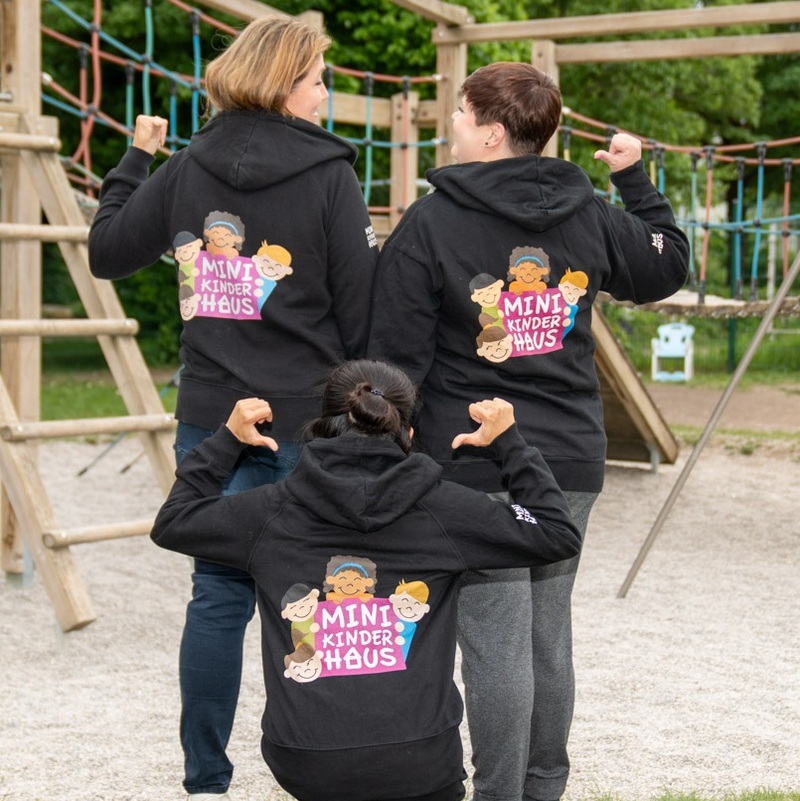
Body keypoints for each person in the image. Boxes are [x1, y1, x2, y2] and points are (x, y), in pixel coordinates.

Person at [367, 62, 690, 801]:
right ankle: (544, 785)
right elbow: (666, 263)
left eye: (457, 111)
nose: (449, 122)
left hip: (476, 459)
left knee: (496, 633)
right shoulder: (590, 214)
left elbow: (395, 356)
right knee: (547, 627)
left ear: (487, 131)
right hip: (571, 455)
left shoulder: (432, 222)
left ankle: (501, 792)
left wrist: (389, 457)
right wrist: (634, 181)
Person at [88, 16, 379, 800]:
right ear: (286, 83)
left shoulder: (188, 167)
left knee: (216, 594)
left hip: (215, 416)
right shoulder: (331, 177)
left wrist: (135, 157)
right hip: (309, 419)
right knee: (320, 596)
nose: (328, 91)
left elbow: (108, 249)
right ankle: (325, 770)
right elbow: (360, 319)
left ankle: (205, 781)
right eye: (320, 77)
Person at [149, 358, 582, 801]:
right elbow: (556, 532)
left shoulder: (270, 512)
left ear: (321, 425)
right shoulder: (446, 509)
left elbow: (174, 521)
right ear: (410, 433)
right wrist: (510, 444)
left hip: (304, 758)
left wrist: (226, 442)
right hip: (420, 761)